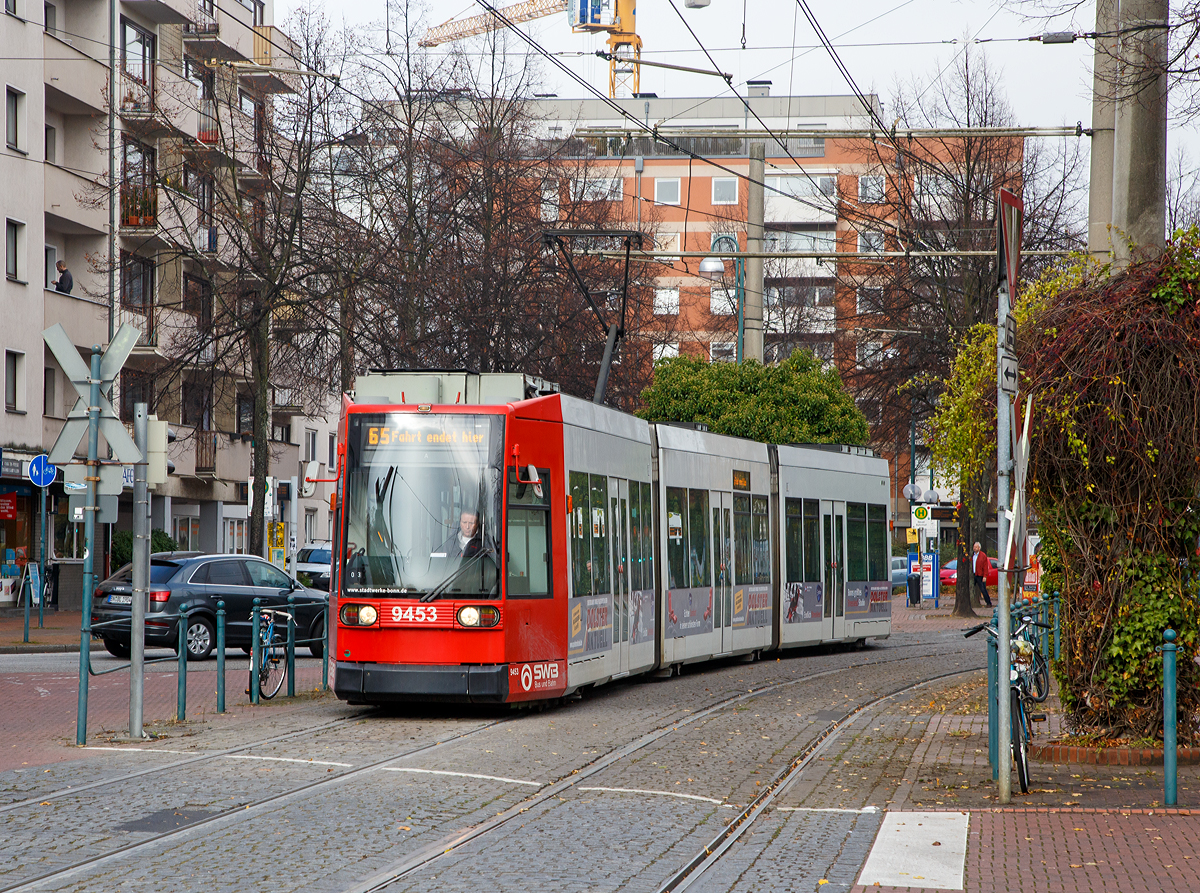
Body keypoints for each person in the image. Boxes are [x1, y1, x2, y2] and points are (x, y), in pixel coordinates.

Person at [972, 541, 993, 608]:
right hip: (974, 574)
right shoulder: (973, 555)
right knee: (971, 587)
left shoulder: (982, 556)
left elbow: (985, 566)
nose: (974, 548)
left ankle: (988, 603)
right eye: (974, 547)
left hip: (980, 575)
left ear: (979, 548)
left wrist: (985, 576)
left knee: (983, 589)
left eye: (976, 547)